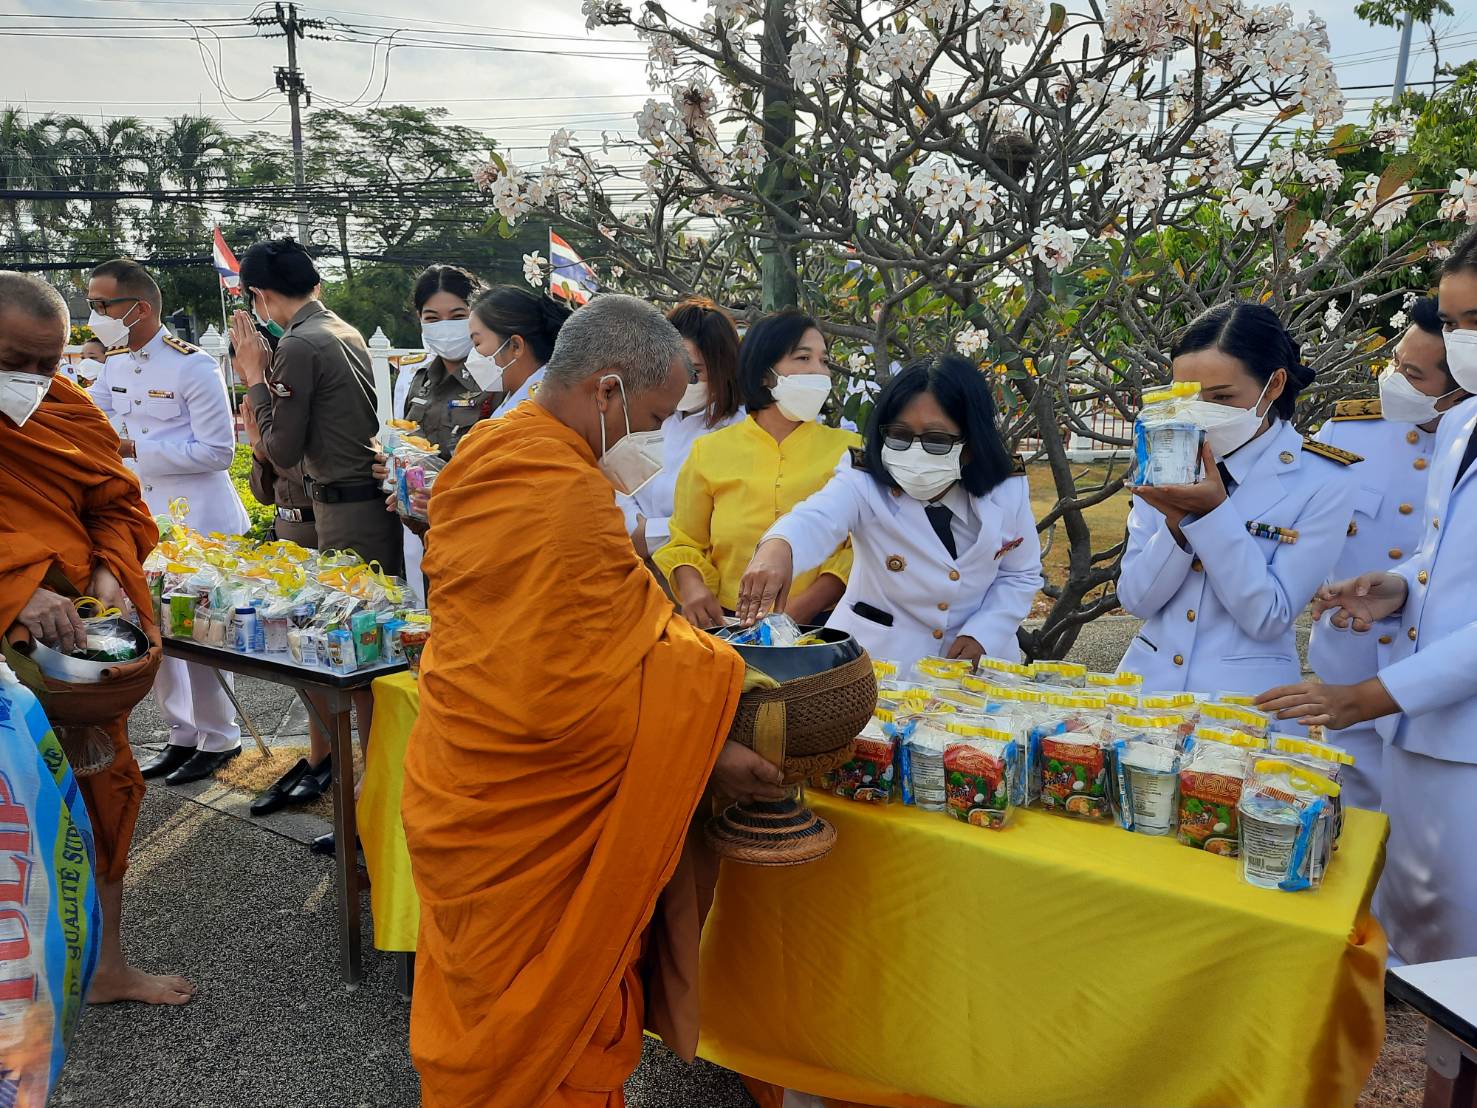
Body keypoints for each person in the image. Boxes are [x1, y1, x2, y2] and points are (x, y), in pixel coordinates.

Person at [400, 293, 785, 1107]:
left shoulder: (488, 449)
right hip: (527, 798)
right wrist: (716, 714)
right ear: (605, 391)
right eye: (651, 415)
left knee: (491, 1008)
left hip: (463, 784)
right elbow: (575, 692)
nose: (653, 438)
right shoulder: (562, 496)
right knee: (553, 1030)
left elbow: (605, 634)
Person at [1259, 227, 1477, 965]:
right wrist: (1392, 587)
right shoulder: (1463, 429)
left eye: (1472, 323)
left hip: (1458, 732)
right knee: (1417, 938)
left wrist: (1366, 696)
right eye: (1450, 324)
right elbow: (1437, 559)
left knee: (1460, 962)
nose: (1458, 341)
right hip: (1426, 734)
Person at [0, 270, 195, 1005]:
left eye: (46, 363)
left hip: (80, 648)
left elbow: (118, 502)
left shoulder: (67, 410)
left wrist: (114, 571)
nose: (32, 379)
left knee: (105, 790)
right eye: (13, 361)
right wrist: (17, 585)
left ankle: (107, 965)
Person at [738, 353, 1042, 671]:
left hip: (978, 672)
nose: (915, 451)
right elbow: (816, 517)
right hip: (882, 668)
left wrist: (984, 634)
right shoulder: (865, 480)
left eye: (937, 440)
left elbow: (1019, 574)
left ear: (971, 443)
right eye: (899, 436)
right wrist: (778, 547)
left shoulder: (1005, 488)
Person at [1116, 301, 1358, 697]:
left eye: (1223, 397)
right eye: (1188, 398)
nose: (1201, 413)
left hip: (1244, 705)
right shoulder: (1168, 457)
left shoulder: (1323, 479)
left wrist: (1211, 514)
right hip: (1148, 696)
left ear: (1274, 385)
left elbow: (1268, 616)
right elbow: (1136, 600)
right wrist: (1176, 528)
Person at [87, 257, 250, 785]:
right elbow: (98, 421)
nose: (95, 316)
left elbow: (218, 451)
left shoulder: (192, 366)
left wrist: (136, 446)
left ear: (140, 307)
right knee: (155, 632)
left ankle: (220, 737)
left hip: (200, 522)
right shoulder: (113, 363)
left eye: (102, 305)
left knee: (199, 633)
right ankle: (182, 735)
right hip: (146, 519)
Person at [1304, 296, 1463, 810]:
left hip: (1441, 677)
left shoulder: (1466, 445)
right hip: (1350, 653)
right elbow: (1304, 527)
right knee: (1348, 815)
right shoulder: (1350, 433)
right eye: (1395, 364)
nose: (1393, 382)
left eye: (1413, 375)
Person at [655, 309, 858, 627]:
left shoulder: (850, 450)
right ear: (764, 373)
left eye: (824, 361)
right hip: (726, 625)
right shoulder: (709, 450)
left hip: (823, 623)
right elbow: (684, 540)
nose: (819, 372)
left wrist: (801, 610)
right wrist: (693, 588)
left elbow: (857, 548)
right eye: (803, 359)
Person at [227, 237, 403, 574]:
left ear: (260, 294)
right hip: (366, 503)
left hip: (344, 511)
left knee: (356, 619)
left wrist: (254, 376)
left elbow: (282, 451)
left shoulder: (297, 343)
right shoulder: (341, 329)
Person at [238, 353, 333, 817]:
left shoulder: (307, 419)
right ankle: (320, 756)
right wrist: (259, 452)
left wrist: (264, 447)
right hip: (285, 537)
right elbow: (262, 490)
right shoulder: (270, 418)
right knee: (295, 655)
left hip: (320, 535)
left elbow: (303, 469)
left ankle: (325, 757)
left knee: (318, 654)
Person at [388, 266, 498, 600]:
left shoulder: (497, 378)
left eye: (458, 315)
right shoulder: (414, 377)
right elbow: (404, 442)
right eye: (432, 317)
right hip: (421, 530)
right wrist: (391, 466)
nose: (445, 327)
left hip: (477, 530)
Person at [617, 297, 746, 564]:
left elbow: (720, 520)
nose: (681, 381)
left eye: (695, 371)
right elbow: (616, 485)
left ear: (723, 368)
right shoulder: (644, 416)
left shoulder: (739, 431)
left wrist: (647, 535)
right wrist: (631, 528)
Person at [467, 284, 572, 420]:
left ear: (516, 346)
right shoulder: (517, 400)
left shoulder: (542, 408)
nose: (473, 354)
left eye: (477, 343)